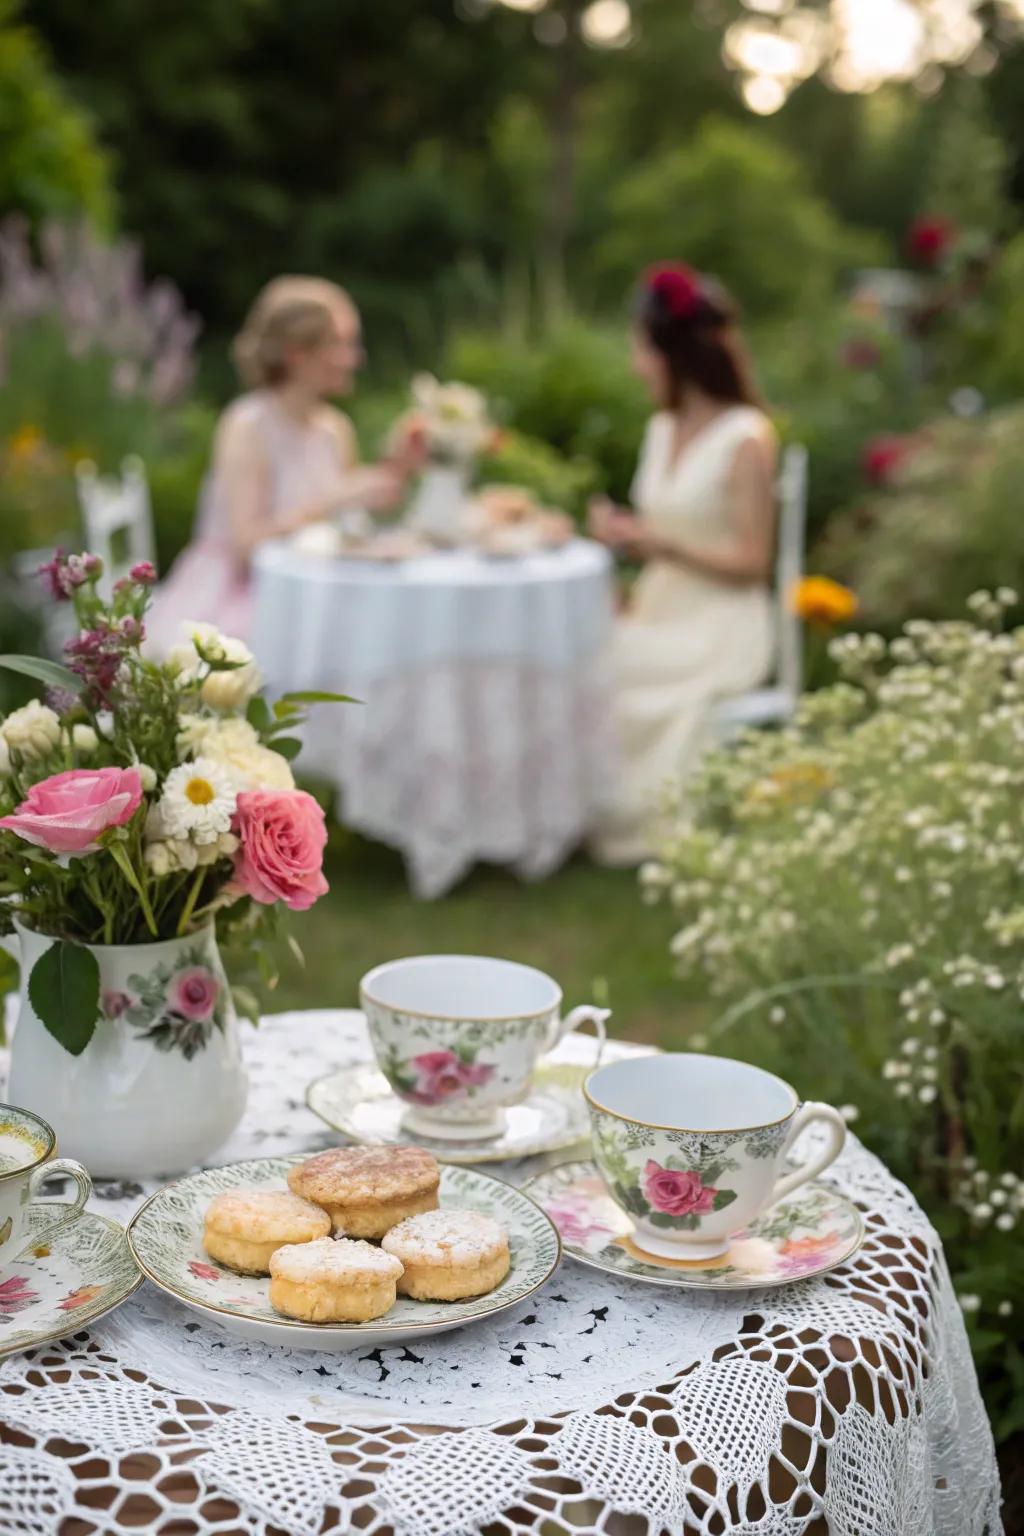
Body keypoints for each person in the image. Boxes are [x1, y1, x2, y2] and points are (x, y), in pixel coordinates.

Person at [589, 262, 777, 865]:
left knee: (607, 664)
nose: (637, 364)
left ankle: (621, 818)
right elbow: (660, 533)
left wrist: (662, 546)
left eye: (642, 350)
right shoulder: (660, 427)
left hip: (722, 622)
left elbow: (754, 562)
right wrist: (627, 543)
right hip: (661, 604)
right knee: (581, 648)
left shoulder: (747, 437)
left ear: (674, 354)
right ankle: (569, 810)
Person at [147, 275, 419, 650]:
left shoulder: (334, 428)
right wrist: (334, 501)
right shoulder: (248, 425)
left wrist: (399, 466)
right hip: (239, 595)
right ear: (297, 352)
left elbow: (353, 519)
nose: (356, 358)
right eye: (342, 344)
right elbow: (245, 549)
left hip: (314, 590)